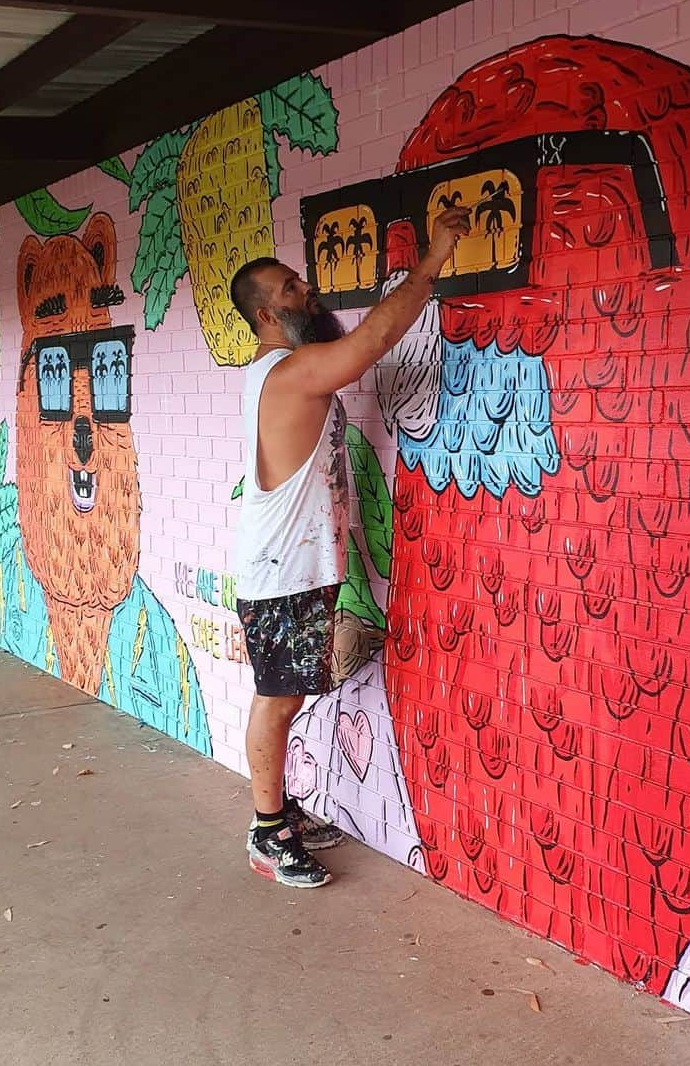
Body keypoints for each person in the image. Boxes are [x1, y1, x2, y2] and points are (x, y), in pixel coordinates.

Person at [229, 204, 472, 887]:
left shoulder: (276, 372)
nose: (307, 293)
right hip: (281, 573)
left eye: (299, 283)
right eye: (290, 291)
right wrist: (432, 261)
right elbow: (370, 343)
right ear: (266, 316)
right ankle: (267, 831)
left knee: (288, 695)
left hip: (291, 567)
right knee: (277, 699)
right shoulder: (290, 372)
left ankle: (278, 811)